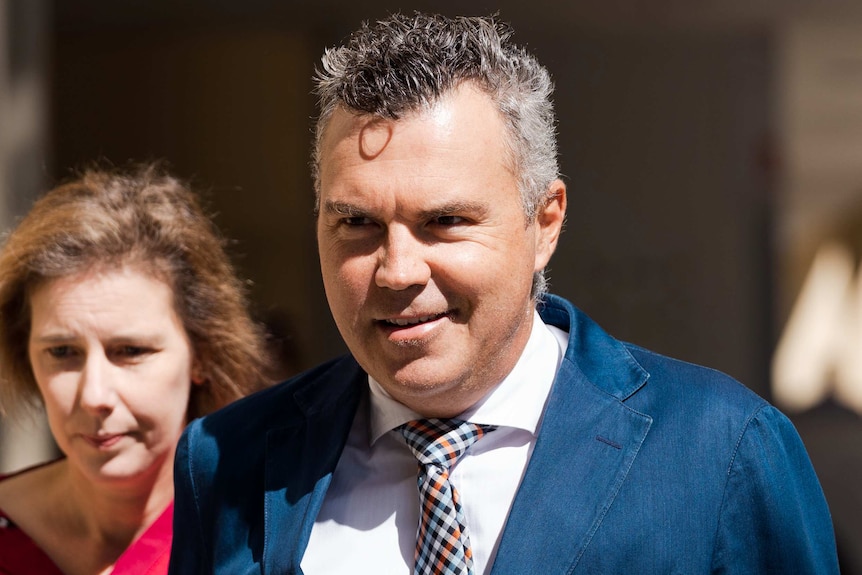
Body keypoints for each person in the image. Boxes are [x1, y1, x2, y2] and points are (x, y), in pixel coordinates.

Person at [169, 13, 839, 574]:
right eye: (357, 223)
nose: (397, 270)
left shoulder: (719, 451)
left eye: (446, 222)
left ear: (544, 223)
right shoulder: (228, 460)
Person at [0, 164, 269, 574]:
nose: (94, 396)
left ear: (202, 354)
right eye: (61, 352)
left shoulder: (265, 534)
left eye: (130, 350)